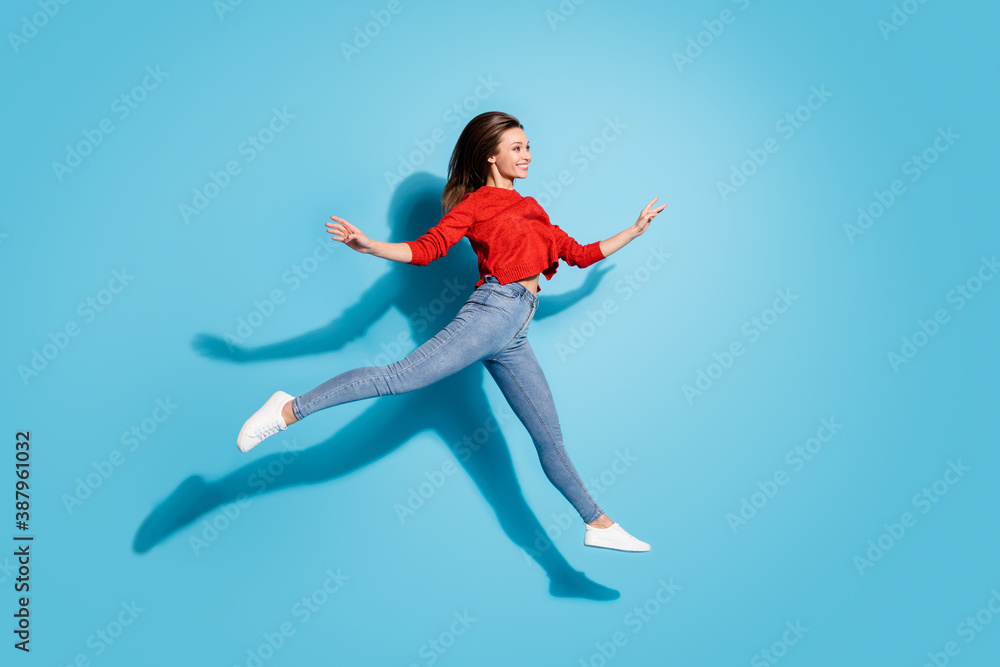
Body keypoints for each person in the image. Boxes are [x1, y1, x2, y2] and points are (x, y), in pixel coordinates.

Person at [237, 111, 666, 552]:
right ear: (491, 157)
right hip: (494, 312)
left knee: (548, 436)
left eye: (528, 146)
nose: (527, 155)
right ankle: (290, 408)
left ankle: (597, 523)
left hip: (515, 330)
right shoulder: (476, 205)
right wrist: (368, 246)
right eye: (516, 148)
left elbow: (577, 253)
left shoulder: (532, 207)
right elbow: (427, 250)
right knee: (398, 377)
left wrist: (633, 231)